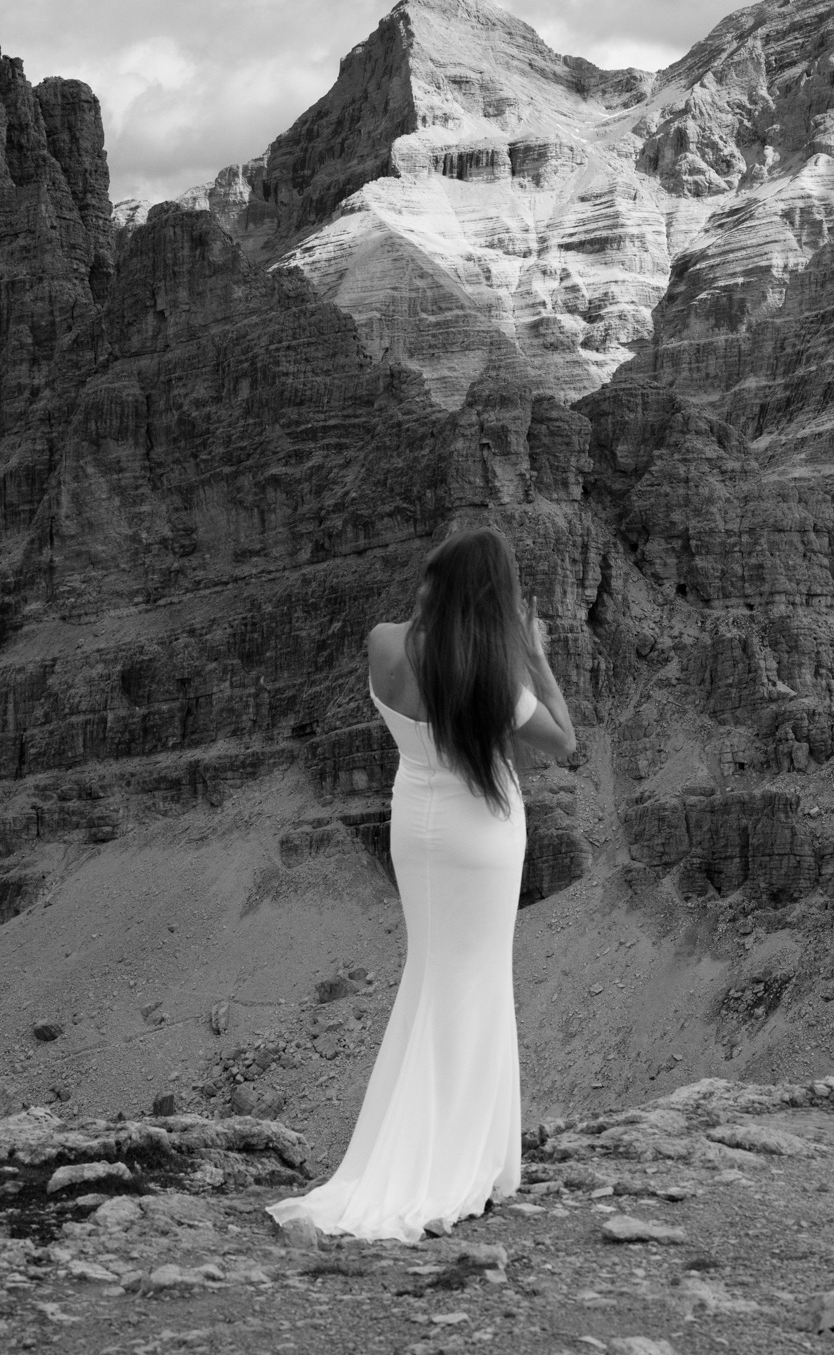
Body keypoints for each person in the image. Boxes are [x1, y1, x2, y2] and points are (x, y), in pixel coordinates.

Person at [266, 527, 575, 1243]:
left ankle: (411, 1147)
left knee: (431, 974)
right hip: (481, 833)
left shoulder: (384, 643)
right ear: (493, 596)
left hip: (415, 824)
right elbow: (563, 741)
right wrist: (535, 653)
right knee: (476, 980)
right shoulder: (493, 672)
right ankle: (462, 1158)